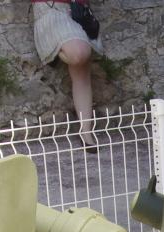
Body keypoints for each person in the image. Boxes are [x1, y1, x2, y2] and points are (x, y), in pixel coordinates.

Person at [32, 0, 102, 148]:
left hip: (78, 11)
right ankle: (54, 52)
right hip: (50, 10)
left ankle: (86, 132)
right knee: (79, 54)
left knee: (82, 71)